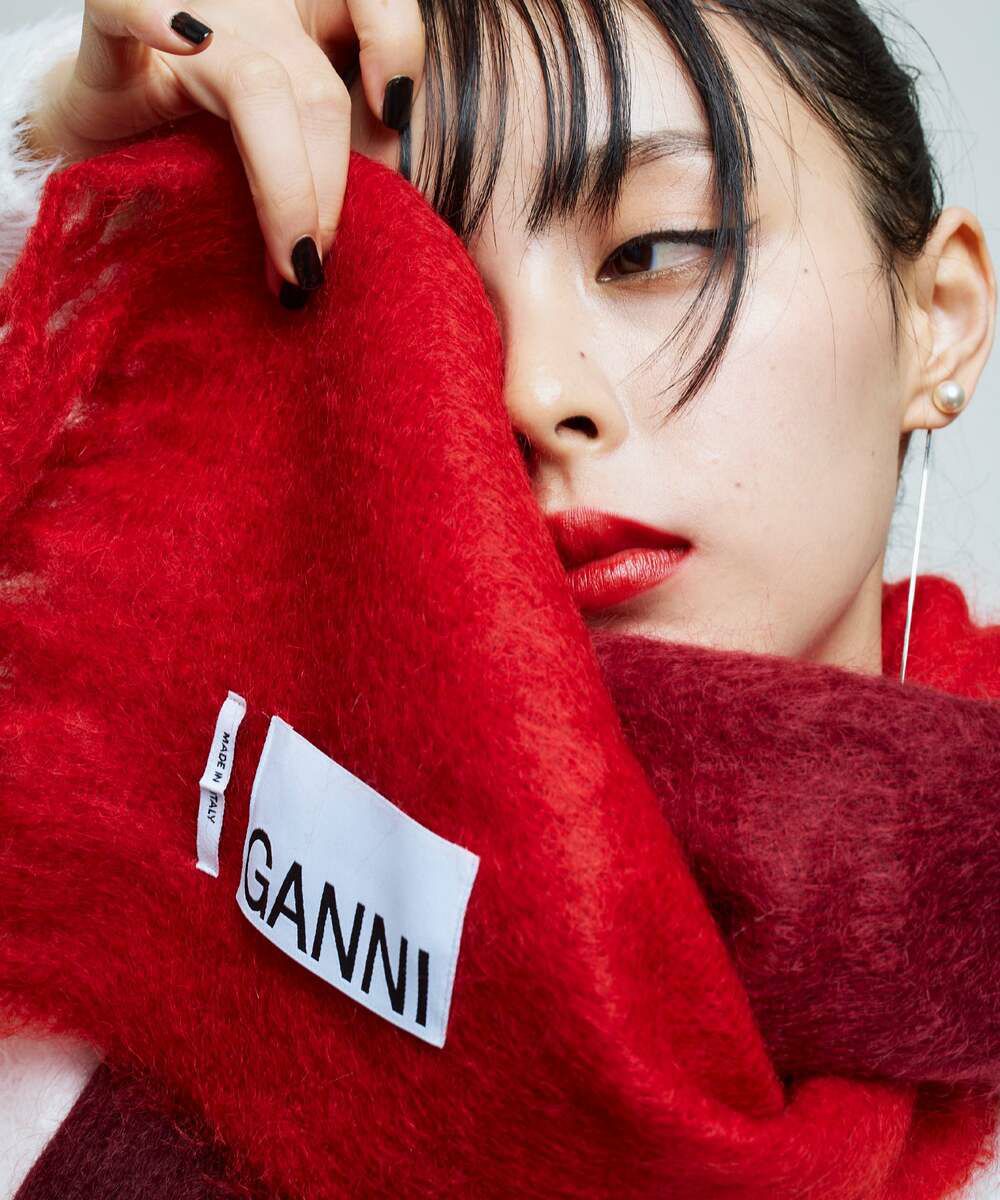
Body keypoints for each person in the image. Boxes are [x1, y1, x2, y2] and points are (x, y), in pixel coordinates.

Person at [0, 0, 997, 1195]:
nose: (527, 390)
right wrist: (65, 172)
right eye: (416, 308)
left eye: (652, 250)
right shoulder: (115, 910)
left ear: (938, 319)